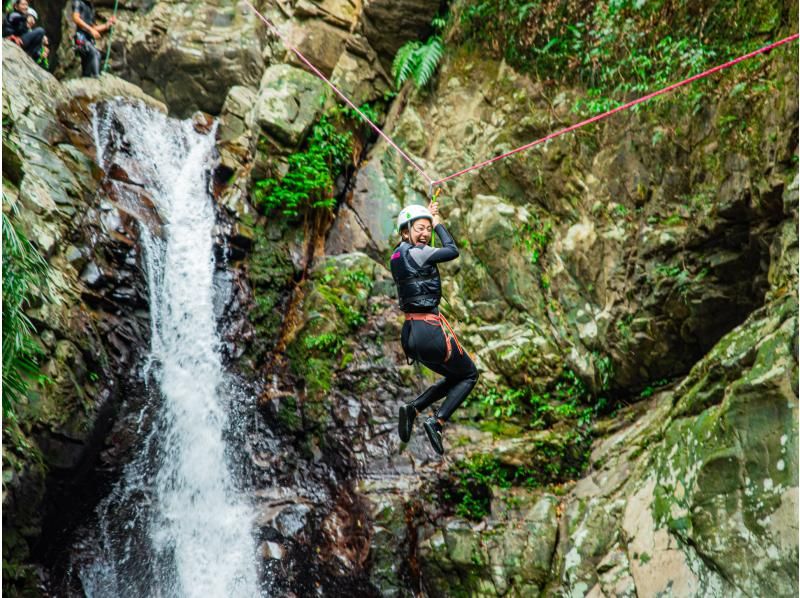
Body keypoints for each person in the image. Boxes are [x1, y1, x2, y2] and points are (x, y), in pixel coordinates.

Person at [391, 201, 479, 455]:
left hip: (411, 335)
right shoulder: (419, 253)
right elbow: (452, 250)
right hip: (429, 332)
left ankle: (414, 408)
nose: (425, 234)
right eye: (419, 229)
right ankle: (437, 421)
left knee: (456, 377)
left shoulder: (397, 255)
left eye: (428, 230)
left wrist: (428, 217)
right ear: (405, 232)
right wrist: (438, 221)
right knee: (469, 375)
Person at [72, 0, 116, 78]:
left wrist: (107, 25)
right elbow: (76, 18)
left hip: (88, 39)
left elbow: (94, 28)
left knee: (87, 65)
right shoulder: (78, 2)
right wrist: (90, 30)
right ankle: (97, 78)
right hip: (81, 37)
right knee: (95, 54)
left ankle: (87, 77)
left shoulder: (90, 6)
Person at [2, 0, 46, 64]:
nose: (25, 7)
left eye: (26, 5)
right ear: (16, 7)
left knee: (39, 34)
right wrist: (26, 19)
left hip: (20, 40)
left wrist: (39, 54)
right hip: (12, 39)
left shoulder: (23, 21)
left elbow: (23, 31)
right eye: (23, 5)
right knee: (40, 31)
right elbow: (16, 20)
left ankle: (29, 55)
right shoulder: (13, 15)